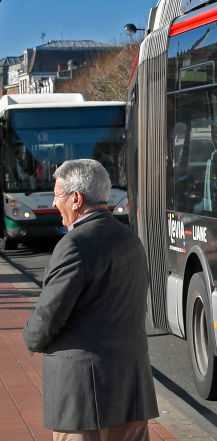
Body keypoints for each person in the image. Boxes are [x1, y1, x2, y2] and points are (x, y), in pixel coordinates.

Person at [23, 159, 159, 441]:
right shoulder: (130, 238)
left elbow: (49, 315)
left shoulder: (74, 245)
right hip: (131, 387)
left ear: (76, 199)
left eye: (58, 195)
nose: (53, 202)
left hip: (84, 394)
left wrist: (30, 337)